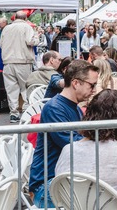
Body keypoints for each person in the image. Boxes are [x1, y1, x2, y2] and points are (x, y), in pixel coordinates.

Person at [29, 60, 99, 207]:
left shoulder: (74, 108)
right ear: (75, 83)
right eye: (92, 85)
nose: (94, 90)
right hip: (46, 185)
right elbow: (75, 145)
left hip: (61, 180)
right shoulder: (55, 108)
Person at [0, 10, 40, 123]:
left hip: (8, 62)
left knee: (11, 89)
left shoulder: (6, 28)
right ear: (25, 18)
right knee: (25, 88)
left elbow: (1, 44)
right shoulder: (27, 27)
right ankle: (26, 112)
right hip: (23, 61)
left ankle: (14, 113)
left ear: (14, 17)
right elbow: (30, 42)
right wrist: (37, 37)